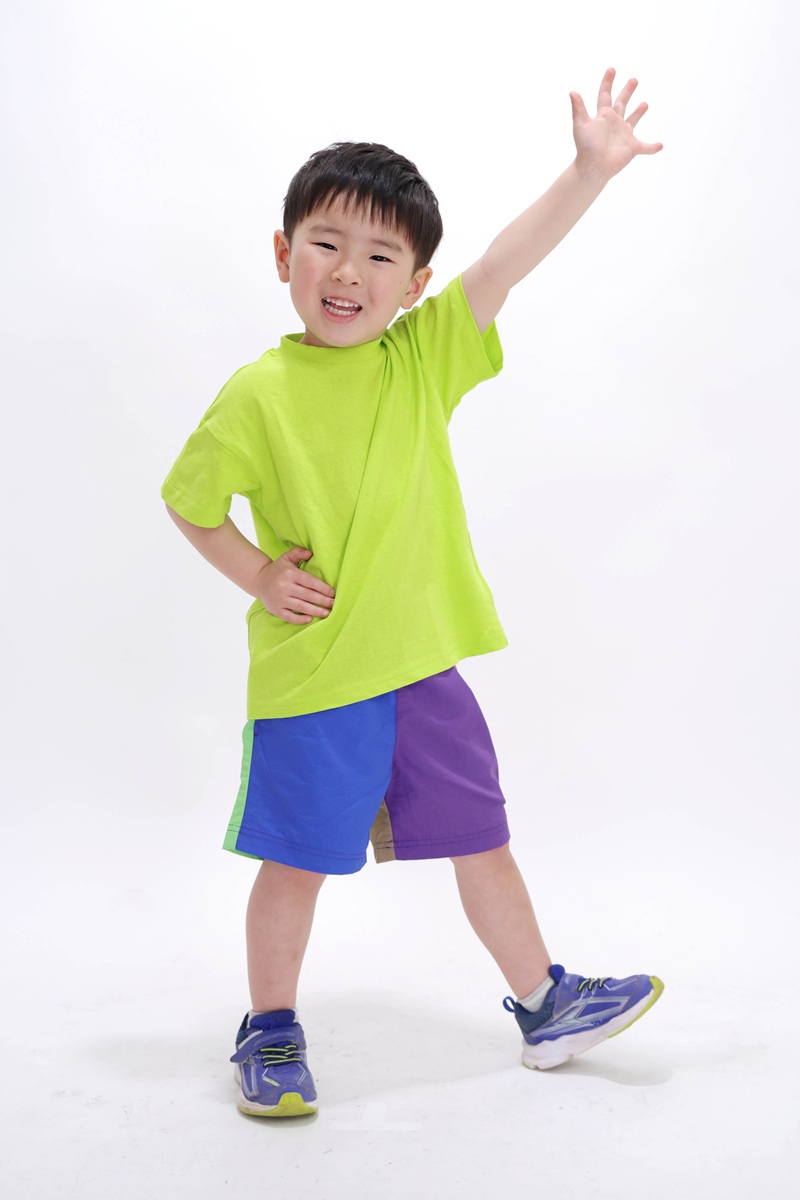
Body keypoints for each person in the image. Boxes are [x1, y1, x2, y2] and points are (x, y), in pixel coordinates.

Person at [162, 68, 665, 1119]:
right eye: (326, 244)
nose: (349, 271)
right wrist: (259, 574)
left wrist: (588, 174)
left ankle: (545, 1004)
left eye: (380, 255)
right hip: (318, 677)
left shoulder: (421, 358)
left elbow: (505, 264)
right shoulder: (256, 394)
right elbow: (191, 504)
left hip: (424, 668)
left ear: (415, 281)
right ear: (283, 255)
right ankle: (268, 1029)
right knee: (295, 864)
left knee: (483, 835)